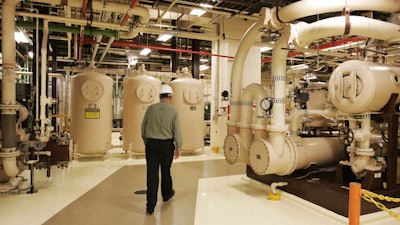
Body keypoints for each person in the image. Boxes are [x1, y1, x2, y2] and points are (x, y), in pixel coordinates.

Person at [141, 84, 182, 215]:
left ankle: (150, 206)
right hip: (166, 146)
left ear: (159, 96)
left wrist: (147, 142)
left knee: (151, 175)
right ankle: (166, 194)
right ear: (170, 97)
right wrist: (178, 147)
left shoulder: (150, 109)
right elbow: (177, 131)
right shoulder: (174, 111)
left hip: (152, 145)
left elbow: (143, 128)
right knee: (166, 171)